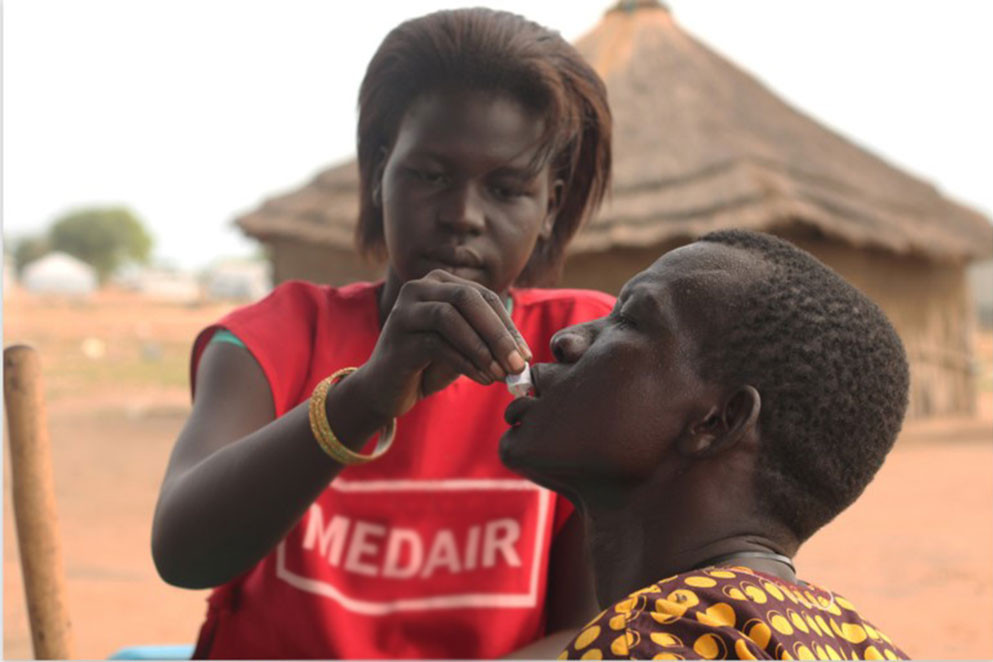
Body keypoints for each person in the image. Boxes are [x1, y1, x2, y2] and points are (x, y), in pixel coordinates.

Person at [151, 8, 614, 659]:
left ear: (549, 207)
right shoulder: (267, 341)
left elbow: (586, 632)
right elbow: (183, 553)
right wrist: (364, 397)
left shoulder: (580, 348)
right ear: (377, 174)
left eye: (507, 188)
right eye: (429, 175)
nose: (461, 216)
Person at [499, 230, 911, 660]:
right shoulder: (861, 645)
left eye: (629, 320)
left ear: (717, 421)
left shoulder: (645, 643)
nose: (567, 340)